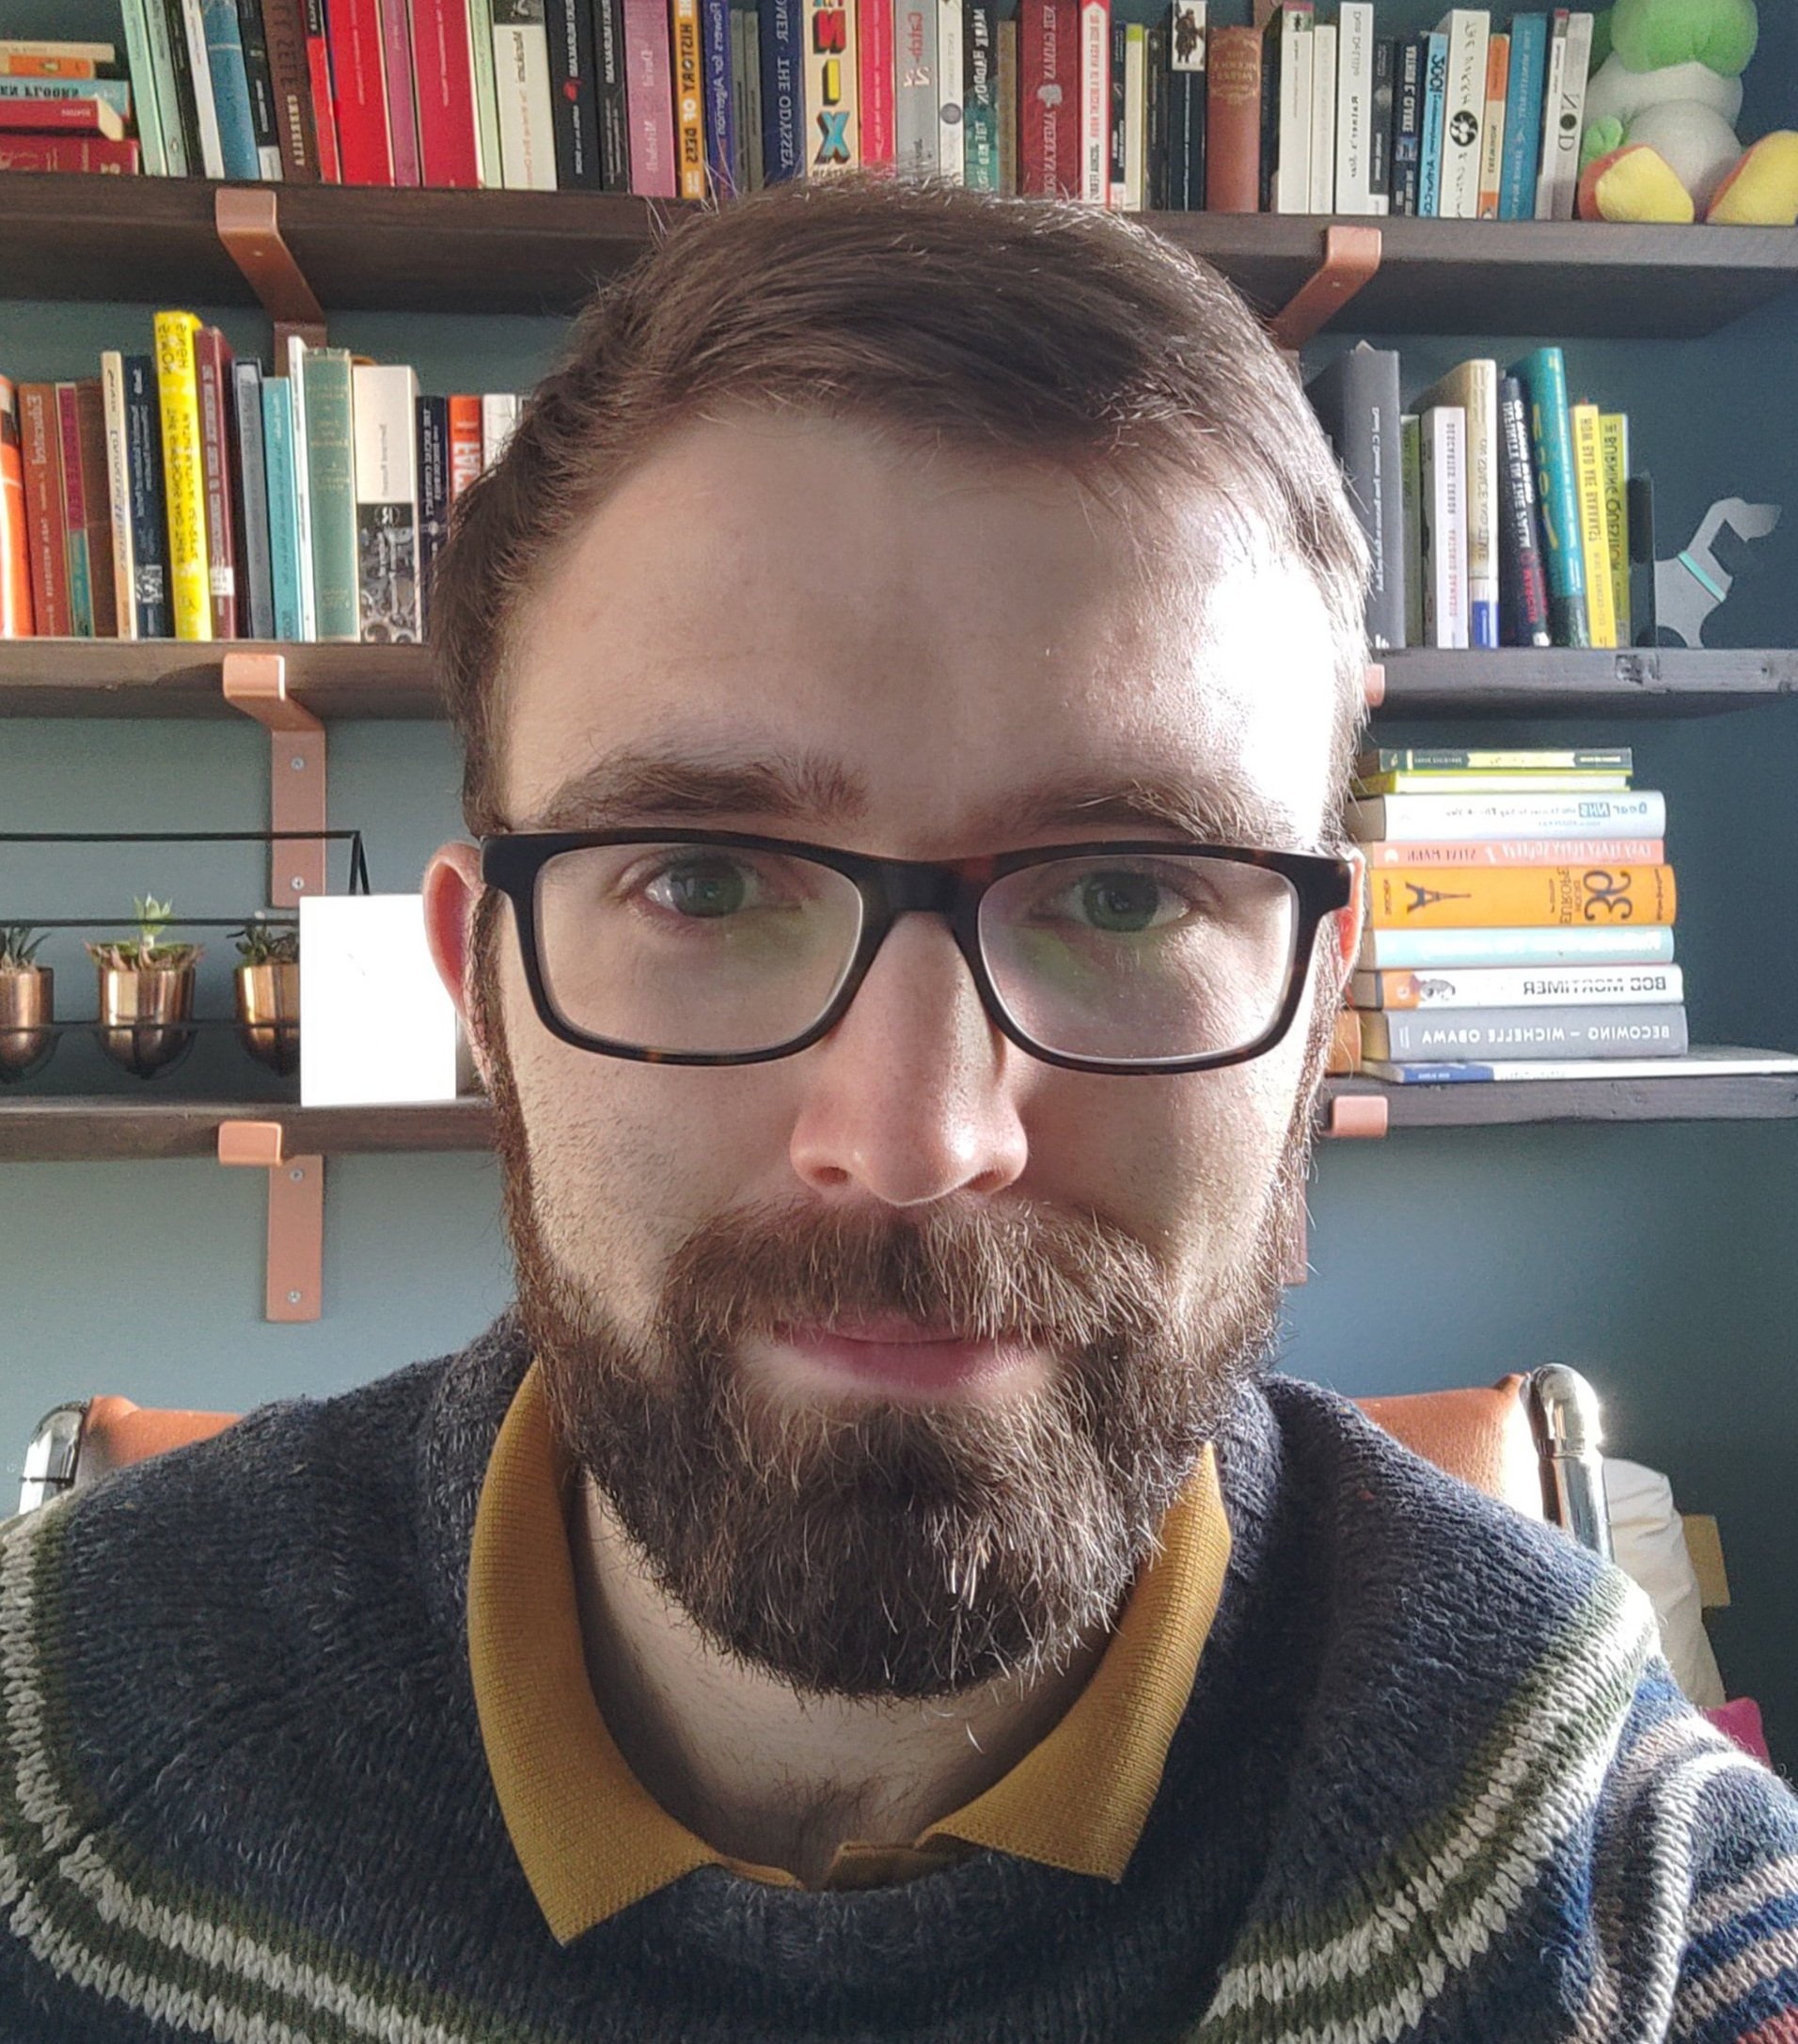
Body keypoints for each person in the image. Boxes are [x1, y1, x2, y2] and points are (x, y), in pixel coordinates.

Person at [3, 181, 1794, 2044]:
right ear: (485, 989)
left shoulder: (1611, 1892)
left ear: (1310, 1012)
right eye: (701, 881)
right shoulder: (58, 1786)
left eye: (1120, 891)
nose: (919, 1136)